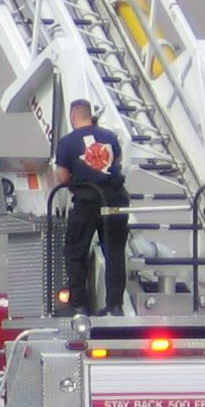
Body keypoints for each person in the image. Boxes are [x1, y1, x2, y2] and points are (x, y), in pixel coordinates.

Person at [54, 98, 130, 315]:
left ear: (73, 116)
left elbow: (62, 176)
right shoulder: (110, 137)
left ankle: (79, 304)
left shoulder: (67, 143)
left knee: (75, 250)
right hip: (114, 199)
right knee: (114, 252)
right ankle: (115, 305)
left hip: (86, 200)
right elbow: (116, 164)